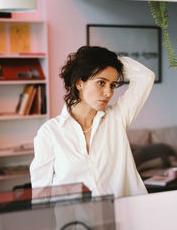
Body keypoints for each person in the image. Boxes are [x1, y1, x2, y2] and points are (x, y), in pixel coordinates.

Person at [30, 46, 155, 198]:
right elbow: (41, 193)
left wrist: (113, 61)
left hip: (123, 214)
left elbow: (146, 77)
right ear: (79, 83)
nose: (109, 92)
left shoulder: (117, 118)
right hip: (75, 220)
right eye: (101, 83)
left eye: (113, 85)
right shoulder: (50, 133)